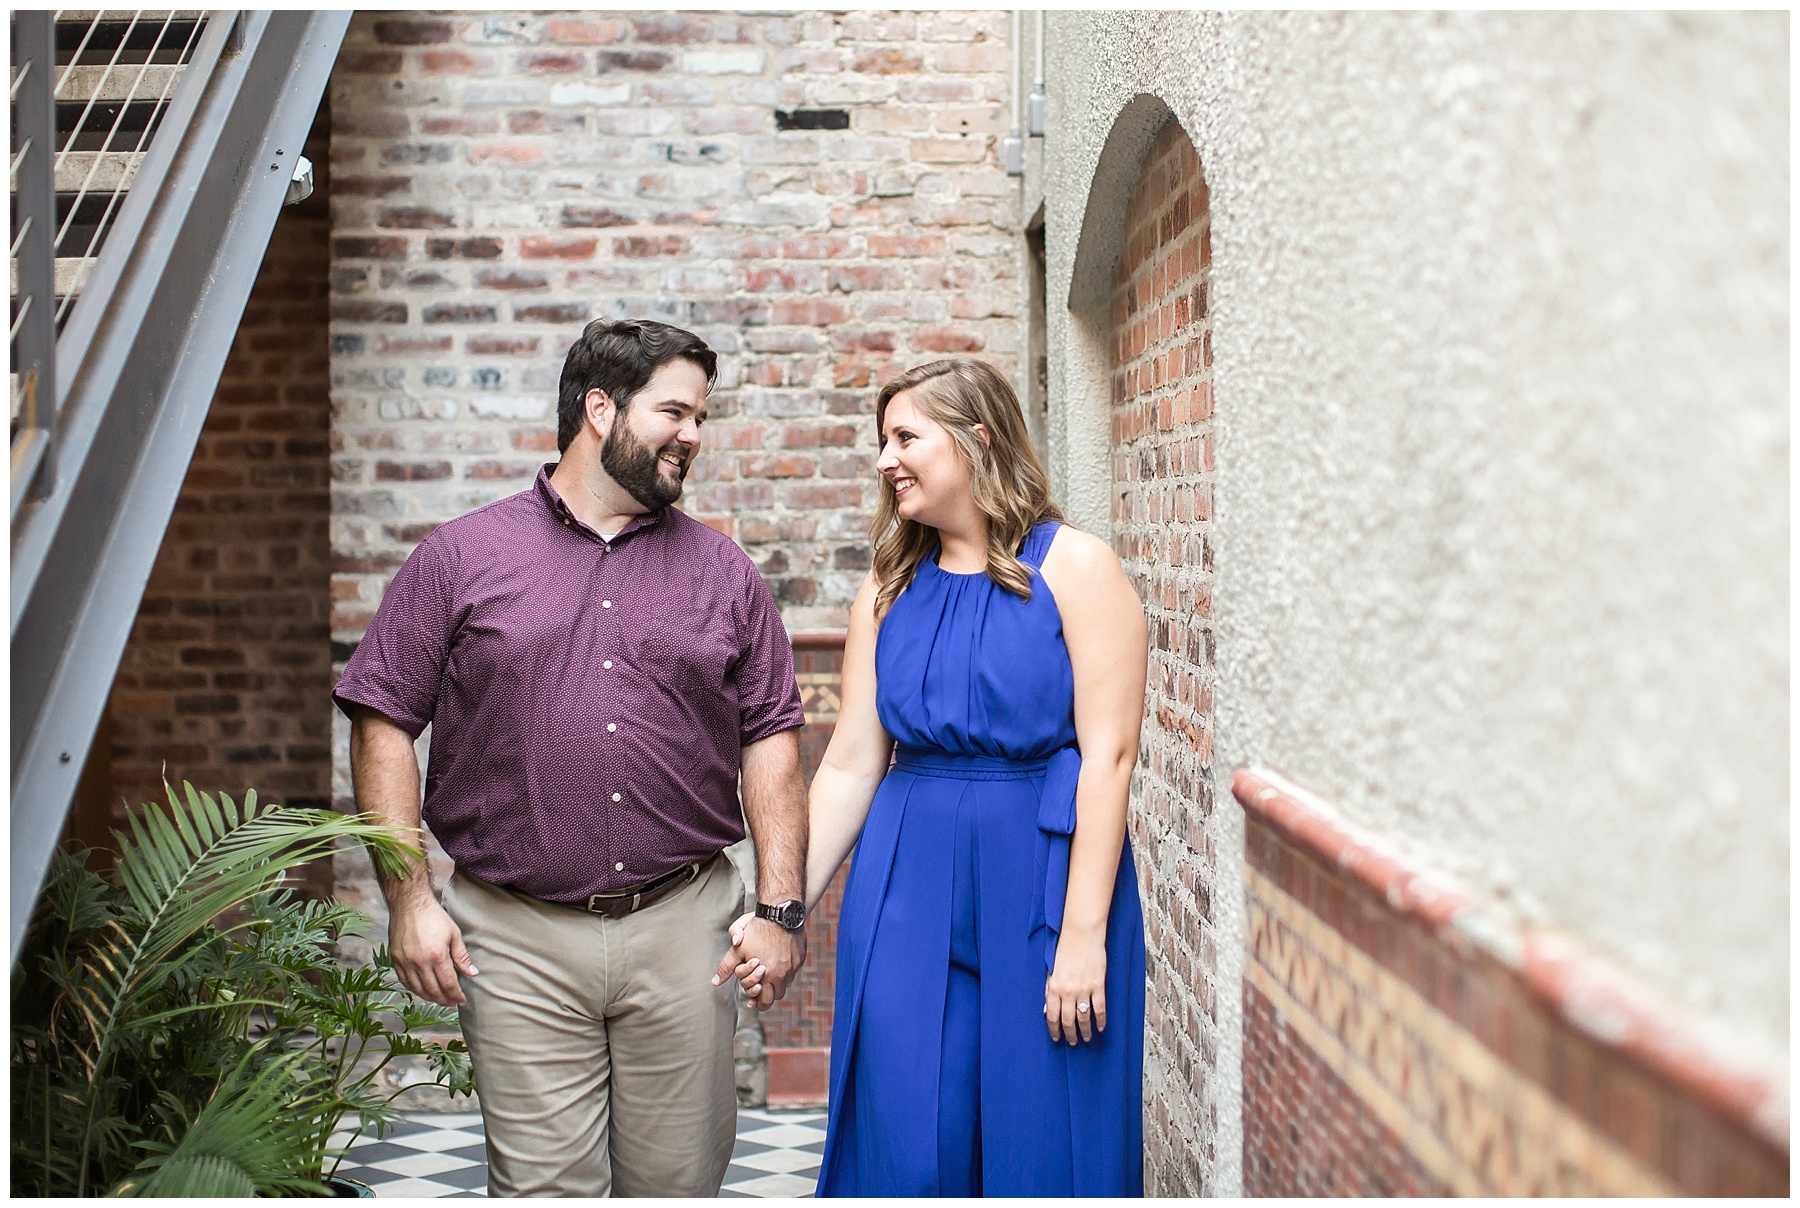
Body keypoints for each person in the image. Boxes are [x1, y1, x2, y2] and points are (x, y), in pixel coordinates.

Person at [333, 318, 812, 1198]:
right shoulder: (460, 558)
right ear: (600, 408)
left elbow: (771, 738)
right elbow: (382, 717)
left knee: (679, 1187)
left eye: (702, 416)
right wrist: (408, 898)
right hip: (514, 937)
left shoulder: (724, 574)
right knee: (542, 1191)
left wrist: (781, 913)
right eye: (675, 412)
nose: (694, 436)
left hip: (684, 926)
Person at [719, 358, 1149, 1195]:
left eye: (905, 437)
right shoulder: (888, 586)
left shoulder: (1076, 568)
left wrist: (1084, 936)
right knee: (909, 1128)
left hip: (1045, 885)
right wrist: (781, 912)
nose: (886, 459)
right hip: (906, 884)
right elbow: (848, 762)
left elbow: (1112, 758)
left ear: (976, 440)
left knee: (1043, 1135)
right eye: (883, 441)